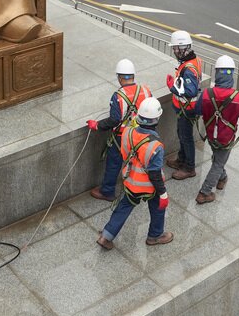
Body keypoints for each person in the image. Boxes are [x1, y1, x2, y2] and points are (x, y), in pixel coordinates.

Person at [95, 97, 172, 249]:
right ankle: (155, 236)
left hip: (130, 181)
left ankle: (106, 235)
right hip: (149, 186)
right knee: (157, 207)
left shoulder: (128, 132)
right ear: (157, 119)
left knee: (123, 207)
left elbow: (125, 154)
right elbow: (155, 174)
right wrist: (163, 194)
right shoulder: (156, 146)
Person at [87, 59, 152, 201]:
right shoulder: (146, 90)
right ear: (133, 75)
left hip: (122, 137)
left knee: (114, 163)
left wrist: (97, 125)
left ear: (120, 77)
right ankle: (137, 187)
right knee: (138, 161)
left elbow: (114, 119)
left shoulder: (118, 96)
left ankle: (107, 191)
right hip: (142, 134)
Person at [193, 55, 239, 203]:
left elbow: (196, 111)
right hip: (226, 138)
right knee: (219, 162)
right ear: (231, 74)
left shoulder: (207, 94)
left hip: (211, 135)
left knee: (218, 158)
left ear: (217, 73)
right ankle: (204, 192)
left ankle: (222, 177)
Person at [163, 31, 204, 180]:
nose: (174, 51)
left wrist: (172, 86)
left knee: (186, 138)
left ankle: (189, 167)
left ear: (182, 48)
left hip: (187, 110)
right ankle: (181, 159)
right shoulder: (194, 61)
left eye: (175, 48)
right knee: (182, 135)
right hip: (185, 109)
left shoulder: (188, 69)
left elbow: (190, 91)